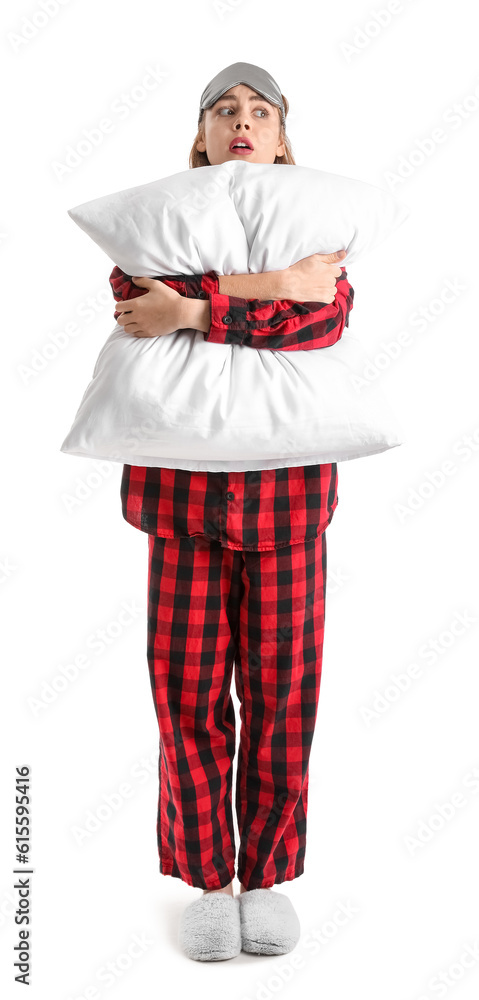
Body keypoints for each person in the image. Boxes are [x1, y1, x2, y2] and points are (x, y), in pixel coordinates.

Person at [110, 61, 354, 962]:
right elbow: (139, 303)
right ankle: (209, 877)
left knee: (283, 695)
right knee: (188, 696)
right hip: (179, 499)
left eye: (259, 111)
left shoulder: (318, 224)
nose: (241, 120)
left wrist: (199, 308)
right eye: (223, 111)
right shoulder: (158, 220)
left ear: (283, 137)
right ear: (201, 137)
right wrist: (265, 286)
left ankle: (269, 877)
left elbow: (319, 317)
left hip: (288, 501)